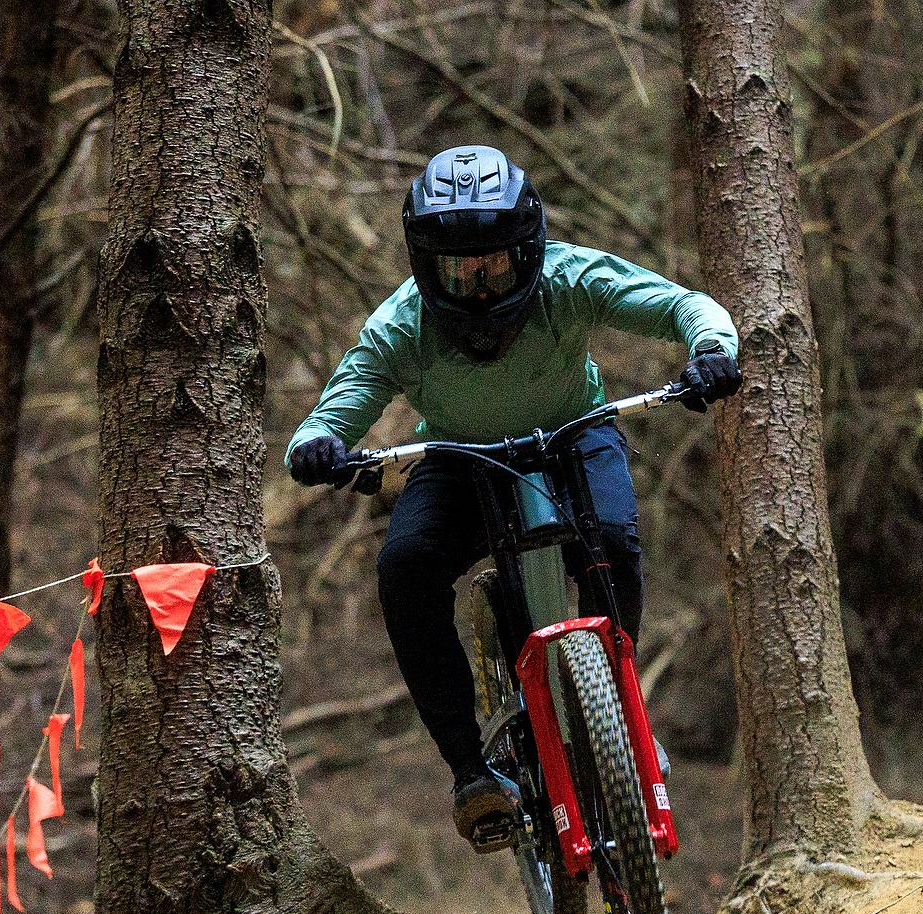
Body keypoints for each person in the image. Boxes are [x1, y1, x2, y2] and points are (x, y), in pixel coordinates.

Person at [284, 144, 740, 847]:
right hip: (459, 460)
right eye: (458, 270)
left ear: (528, 251)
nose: (481, 286)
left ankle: (615, 713)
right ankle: (472, 774)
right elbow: (330, 415)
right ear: (423, 265)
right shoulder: (399, 327)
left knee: (614, 542)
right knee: (405, 568)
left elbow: (683, 306)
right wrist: (317, 447)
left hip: (574, 436)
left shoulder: (571, 279)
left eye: (495, 262)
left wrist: (711, 348)